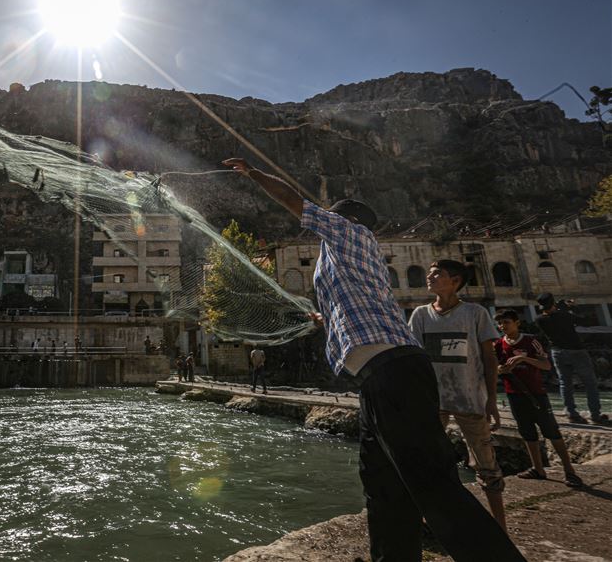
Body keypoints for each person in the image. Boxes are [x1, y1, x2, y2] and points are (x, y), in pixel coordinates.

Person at [222, 157, 523, 561]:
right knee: (382, 483)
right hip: (376, 375)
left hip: (394, 368)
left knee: (431, 481)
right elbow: (352, 303)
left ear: (344, 218)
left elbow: (293, 200)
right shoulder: (343, 256)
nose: (319, 221)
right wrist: (323, 317)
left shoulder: (348, 232)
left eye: (327, 216)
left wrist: (254, 174)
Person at [408, 260, 507, 531]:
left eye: (436, 273)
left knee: (486, 462)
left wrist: (491, 398)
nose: (429, 276)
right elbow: (415, 359)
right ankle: (428, 520)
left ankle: (499, 526)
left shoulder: (475, 313)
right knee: (427, 459)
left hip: (470, 399)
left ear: (455, 280)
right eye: (429, 273)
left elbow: (489, 356)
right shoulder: (419, 315)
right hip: (433, 402)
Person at [494, 310, 583, 487]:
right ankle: (537, 468)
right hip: (514, 394)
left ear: (517, 322)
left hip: (536, 394)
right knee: (527, 433)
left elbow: (546, 365)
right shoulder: (498, 345)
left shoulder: (530, 341)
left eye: (506, 322)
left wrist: (522, 359)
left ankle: (569, 471)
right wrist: (501, 370)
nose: (503, 326)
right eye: (500, 324)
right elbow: (496, 367)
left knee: (552, 431)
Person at [535, 293, 608, 425]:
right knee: (590, 383)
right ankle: (595, 415)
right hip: (576, 350)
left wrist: (562, 308)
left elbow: (555, 316)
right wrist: (573, 307)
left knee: (565, 383)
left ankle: (571, 413)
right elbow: (586, 321)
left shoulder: (539, 319)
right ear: (553, 303)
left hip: (557, 352)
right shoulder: (564, 315)